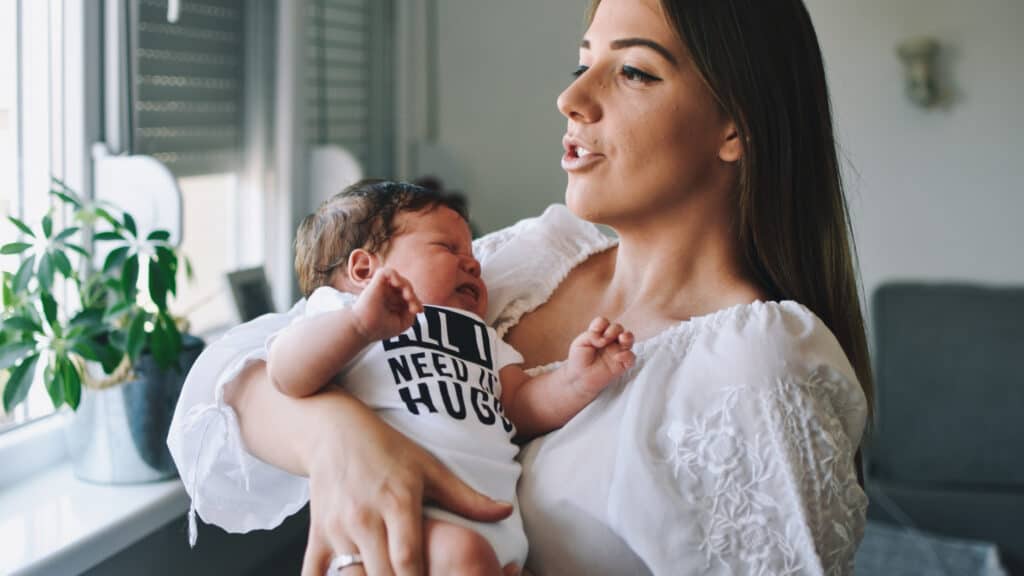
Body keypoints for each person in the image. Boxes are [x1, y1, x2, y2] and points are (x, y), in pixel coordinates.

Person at [167, 0, 874, 574]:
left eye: (632, 72)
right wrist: (337, 440)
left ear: (736, 127)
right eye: (582, 62)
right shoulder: (528, 261)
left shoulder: (756, 368)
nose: (570, 98)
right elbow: (222, 386)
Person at [266, 180, 635, 573]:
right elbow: (285, 373)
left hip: (499, 529)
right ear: (363, 269)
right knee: (464, 555)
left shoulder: (483, 337)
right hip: (405, 518)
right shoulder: (342, 312)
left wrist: (577, 380)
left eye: (472, 252)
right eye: (447, 247)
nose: (474, 263)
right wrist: (359, 325)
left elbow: (519, 404)